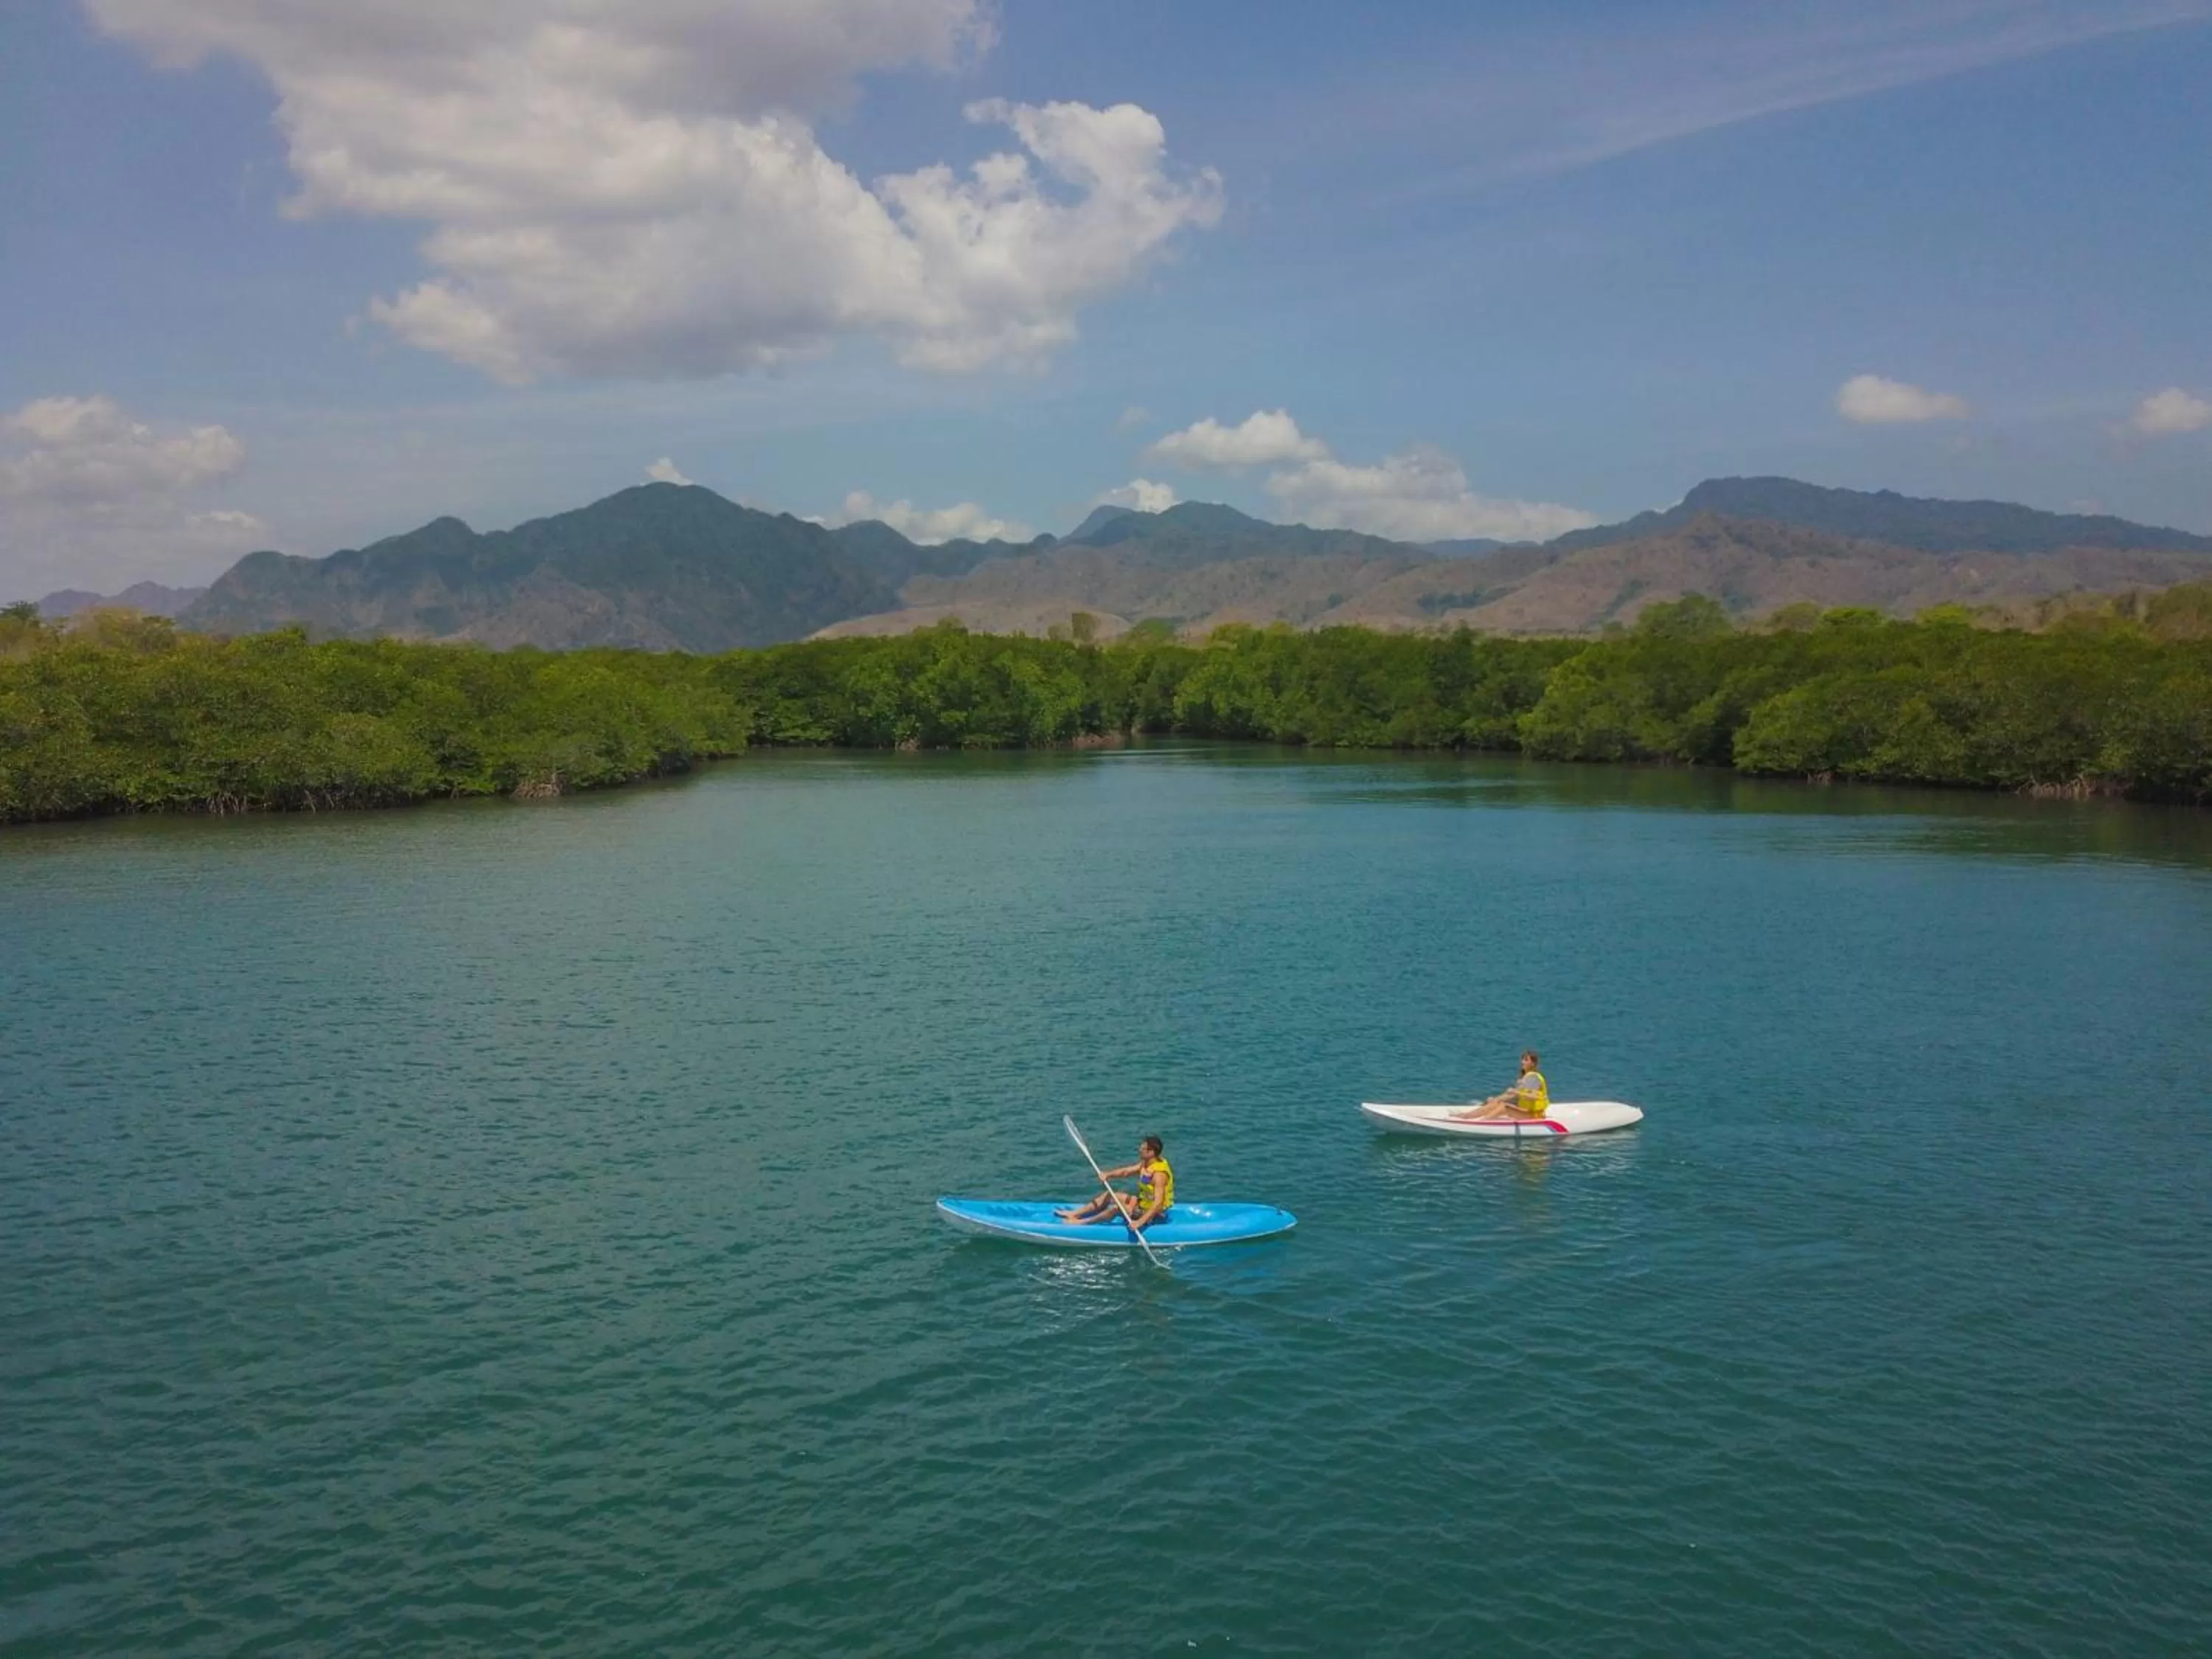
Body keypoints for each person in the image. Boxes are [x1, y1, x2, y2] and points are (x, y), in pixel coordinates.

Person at [1057, 1135, 1175, 1229]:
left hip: (1154, 1215)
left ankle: (1081, 1223)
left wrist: (1139, 1222)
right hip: (1143, 1204)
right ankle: (1075, 1214)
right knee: (1111, 1195)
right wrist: (1108, 1175)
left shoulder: (1159, 1175)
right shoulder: (1147, 1164)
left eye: (1143, 1149)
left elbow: (1158, 1203)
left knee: (1116, 1208)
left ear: (1151, 1152)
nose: (1140, 1150)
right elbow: (1126, 1172)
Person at [1454, 1051, 1549, 1121]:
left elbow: (1534, 1097)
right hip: (1526, 1111)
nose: (1522, 1062)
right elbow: (1511, 1095)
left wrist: (1516, 1092)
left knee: (1505, 1107)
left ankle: (1482, 1122)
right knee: (1496, 1103)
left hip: (1535, 1115)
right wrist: (1496, 1099)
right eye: (1523, 1059)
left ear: (1533, 1063)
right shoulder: (1527, 1077)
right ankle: (1466, 1116)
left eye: (1526, 1060)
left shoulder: (1534, 1077)